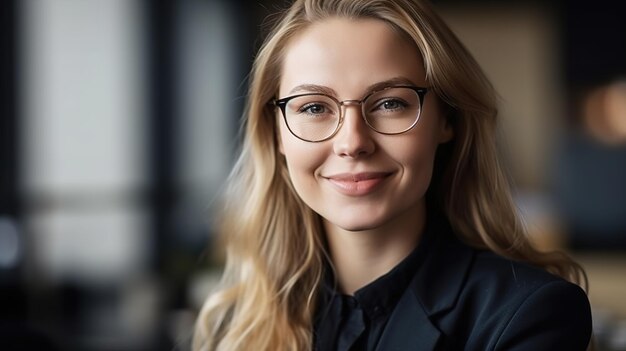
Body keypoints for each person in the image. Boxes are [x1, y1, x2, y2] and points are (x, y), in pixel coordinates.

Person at [194, 0, 593, 350]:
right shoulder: (235, 322)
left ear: (446, 120)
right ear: (276, 133)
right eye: (314, 107)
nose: (352, 142)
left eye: (389, 103)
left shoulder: (529, 315)